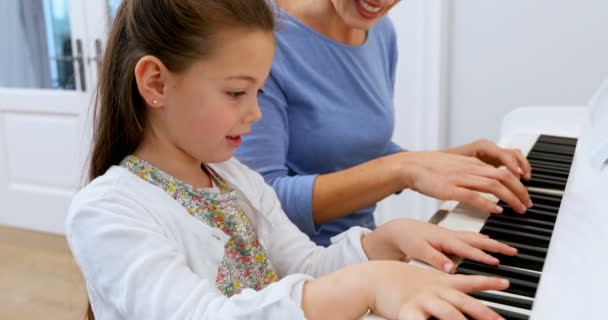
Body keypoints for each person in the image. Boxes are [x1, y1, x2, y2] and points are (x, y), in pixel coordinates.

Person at [66, 0, 516, 319]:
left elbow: (304, 267)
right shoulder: (107, 212)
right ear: (157, 84)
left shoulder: (236, 179)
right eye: (237, 92)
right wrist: (366, 284)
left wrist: (388, 241)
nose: (256, 112)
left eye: (258, 91)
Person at [235, 0, 534, 246]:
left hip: (362, 251)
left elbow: (356, 149)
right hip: (297, 275)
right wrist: (404, 170)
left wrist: (445, 162)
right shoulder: (261, 37)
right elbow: (259, 204)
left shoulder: (379, 31)